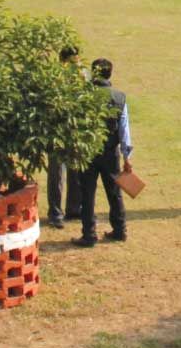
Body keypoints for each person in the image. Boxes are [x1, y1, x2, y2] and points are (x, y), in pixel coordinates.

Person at [70, 58, 132, 247]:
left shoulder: (83, 95)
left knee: (87, 193)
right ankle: (120, 230)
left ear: (94, 73)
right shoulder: (119, 97)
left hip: (88, 151)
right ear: (110, 74)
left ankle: (89, 234)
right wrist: (127, 157)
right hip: (110, 152)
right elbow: (124, 130)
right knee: (114, 192)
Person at [47, 46, 86, 226]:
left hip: (75, 131)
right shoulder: (54, 78)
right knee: (57, 174)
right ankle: (55, 213)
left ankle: (73, 208)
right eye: (73, 61)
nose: (76, 65)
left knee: (75, 171)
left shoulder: (82, 75)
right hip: (57, 133)